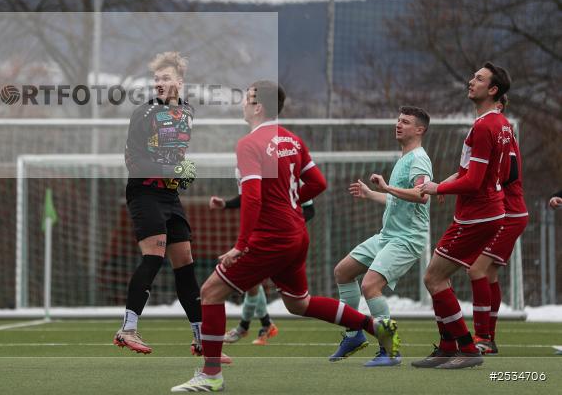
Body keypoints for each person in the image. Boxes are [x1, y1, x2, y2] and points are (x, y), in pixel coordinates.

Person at [171, 81, 398, 392]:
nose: (242, 103)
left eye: (246, 98)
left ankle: (211, 375)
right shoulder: (291, 139)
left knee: (210, 292)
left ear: (258, 106)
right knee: (299, 304)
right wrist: (290, 203)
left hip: (271, 237)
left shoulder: (249, 144)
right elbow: (318, 183)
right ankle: (375, 326)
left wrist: (241, 245)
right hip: (296, 232)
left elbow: (253, 198)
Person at [114, 52, 218, 362]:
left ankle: (201, 339)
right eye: (156, 78)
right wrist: (171, 171)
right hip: (144, 192)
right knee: (154, 256)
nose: (159, 83)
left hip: (170, 196)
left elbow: (172, 155)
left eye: (165, 78)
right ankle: (127, 329)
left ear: (179, 82)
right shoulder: (143, 114)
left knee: (185, 262)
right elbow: (133, 161)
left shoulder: (188, 112)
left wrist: (182, 171)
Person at [415, 62, 513, 370]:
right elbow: (494, 172)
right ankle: (446, 347)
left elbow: (473, 181)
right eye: (473, 76)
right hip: (486, 210)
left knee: (433, 277)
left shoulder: (484, 126)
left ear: (493, 90)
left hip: (478, 214)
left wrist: (438, 186)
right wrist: (449, 182)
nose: (471, 81)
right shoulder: (501, 124)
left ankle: (468, 349)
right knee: (437, 275)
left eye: (479, 79)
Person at [330, 106, 433, 367]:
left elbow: (422, 195)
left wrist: (387, 186)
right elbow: (396, 199)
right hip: (387, 235)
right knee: (343, 272)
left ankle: (391, 350)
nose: (399, 125)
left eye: (406, 122)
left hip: (407, 239)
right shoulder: (404, 157)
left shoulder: (419, 159)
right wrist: (372, 194)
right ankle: (353, 336)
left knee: (370, 286)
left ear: (419, 130)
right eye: (398, 120)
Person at [209, 196, 316, 346]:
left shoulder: (295, 178)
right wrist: (225, 204)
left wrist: (288, 227)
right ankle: (261, 325)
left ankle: (247, 327)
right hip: (261, 235)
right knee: (253, 284)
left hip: (282, 239)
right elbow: (250, 196)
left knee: (295, 302)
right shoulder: (264, 175)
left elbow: (310, 209)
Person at [469, 94, 528, 355]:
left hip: (509, 213)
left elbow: (509, 172)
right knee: (488, 273)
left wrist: (484, 186)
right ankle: (488, 338)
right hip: (509, 213)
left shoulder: (503, 134)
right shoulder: (501, 134)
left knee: (476, 270)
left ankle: (482, 337)